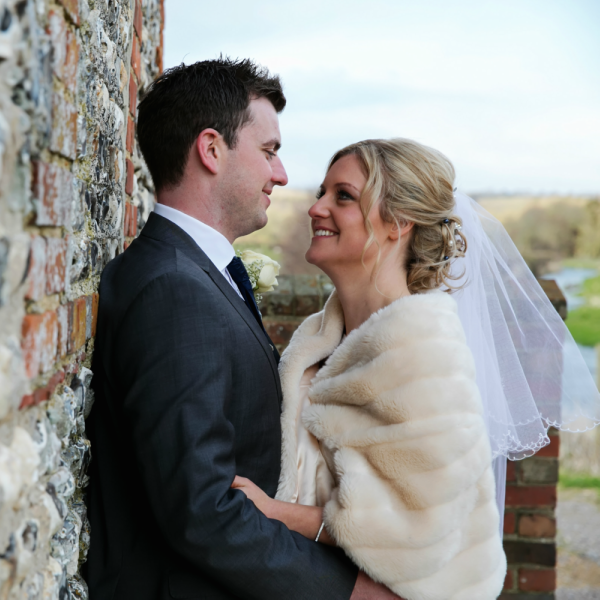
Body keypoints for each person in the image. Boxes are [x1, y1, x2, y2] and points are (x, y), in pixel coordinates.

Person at [85, 59, 400, 599]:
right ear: (211, 150)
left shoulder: (193, 271)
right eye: (269, 152)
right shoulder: (174, 289)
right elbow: (202, 509)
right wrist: (351, 592)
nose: (279, 175)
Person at [231, 138, 599, 598]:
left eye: (342, 196)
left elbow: (421, 536)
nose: (315, 207)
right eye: (322, 192)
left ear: (398, 224)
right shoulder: (319, 338)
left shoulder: (423, 354)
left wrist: (277, 514)